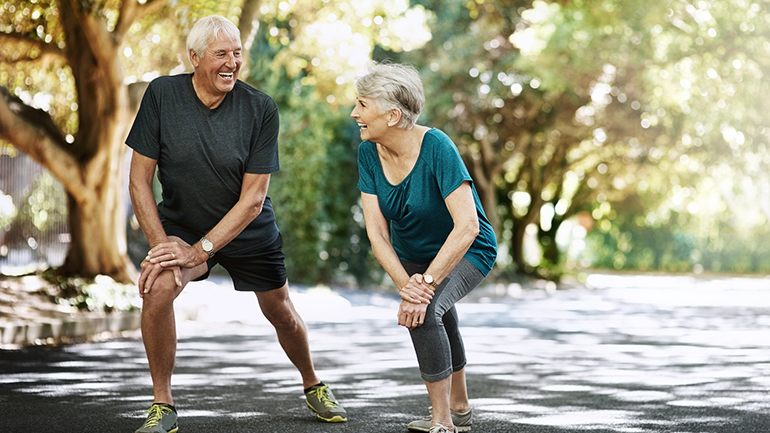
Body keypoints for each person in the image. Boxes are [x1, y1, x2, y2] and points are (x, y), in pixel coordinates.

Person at [126, 15, 347, 433]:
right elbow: (139, 179)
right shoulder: (162, 95)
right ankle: (163, 404)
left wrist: (200, 251)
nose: (232, 62)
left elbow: (253, 200)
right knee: (157, 289)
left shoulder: (260, 108)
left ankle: (312, 382)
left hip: (248, 229)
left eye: (237, 53)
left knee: (281, 311)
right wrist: (162, 249)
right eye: (221, 54)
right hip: (184, 225)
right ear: (194, 58)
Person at [351, 62, 497, 433]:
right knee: (437, 313)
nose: (355, 114)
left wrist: (424, 286)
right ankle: (459, 408)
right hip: (412, 256)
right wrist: (405, 284)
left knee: (425, 312)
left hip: (467, 249)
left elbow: (468, 226)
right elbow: (377, 234)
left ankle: (444, 422)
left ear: (393, 114)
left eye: (363, 105)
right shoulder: (369, 153)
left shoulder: (437, 147)